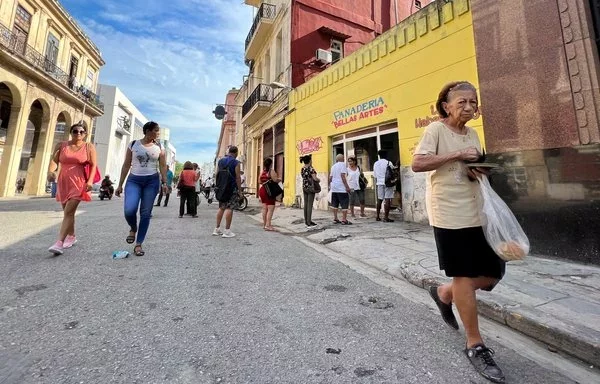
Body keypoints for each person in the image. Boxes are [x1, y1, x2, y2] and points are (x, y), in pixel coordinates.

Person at [412, 81, 505, 383]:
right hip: (449, 214)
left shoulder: (474, 133)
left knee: (493, 274)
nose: (469, 107)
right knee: (464, 274)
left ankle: (444, 293)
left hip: (477, 211)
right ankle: (475, 344)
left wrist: (479, 168)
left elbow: (470, 165)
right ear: (446, 106)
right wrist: (456, 155)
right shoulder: (435, 131)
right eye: (462, 101)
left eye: (473, 102)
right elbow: (417, 163)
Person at [115, 122, 168, 257]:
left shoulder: (160, 147)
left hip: (151, 181)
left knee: (145, 213)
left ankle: (138, 244)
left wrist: (164, 182)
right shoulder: (133, 145)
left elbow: (162, 165)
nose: (158, 133)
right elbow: (126, 165)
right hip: (134, 180)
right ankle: (133, 228)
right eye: (156, 130)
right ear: (148, 131)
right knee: (129, 210)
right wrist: (120, 184)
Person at [46, 123, 96, 255]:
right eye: (75, 131)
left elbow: (94, 165)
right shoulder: (61, 145)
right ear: (71, 132)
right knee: (68, 212)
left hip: (79, 182)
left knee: (68, 212)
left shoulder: (88, 147)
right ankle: (71, 236)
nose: (78, 134)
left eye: (81, 132)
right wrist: (51, 172)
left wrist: (90, 181)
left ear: (85, 134)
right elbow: (54, 161)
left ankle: (59, 243)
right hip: (63, 182)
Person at [213, 146, 242, 238]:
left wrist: (218, 186)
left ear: (228, 151)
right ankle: (227, 231)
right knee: (229, 208)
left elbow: (217, 174)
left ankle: (217, 229)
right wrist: (240, 191)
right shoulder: (236, 162)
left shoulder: (220, 161)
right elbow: (238, 177)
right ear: (236, 153)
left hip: (221, 188)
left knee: (221, 207)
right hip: (231, 188)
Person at [258, 158, 281, 231]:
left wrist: (265, 182)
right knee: (271, 208)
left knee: (264, 208)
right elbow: (275, 180)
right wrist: (279, 179)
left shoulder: (262, 172)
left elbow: (259, 181)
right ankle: (268, 225)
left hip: (262, 190)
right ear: (271, 164)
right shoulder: (271, 171)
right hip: (269, 191)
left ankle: (265, 224)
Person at [329, 153, 352, 225]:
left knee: (335, 204)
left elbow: (330, 178)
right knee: (344, 203)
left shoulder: (333, 166)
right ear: (342, 159)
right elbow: (343, 176)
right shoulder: (343, 165)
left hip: (334, 188)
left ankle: (335, 218)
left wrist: (330, 186)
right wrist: (347, 187)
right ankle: (344, 219)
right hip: (341, 188)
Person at [373, 150, 395, 222]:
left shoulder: (376, 164)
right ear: (386, 155)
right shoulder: (389, 163)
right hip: (388, 183)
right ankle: (386, 217)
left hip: (379, 183)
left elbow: (375, 175)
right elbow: (392, 172)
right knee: (387, 199)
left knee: (380, 199)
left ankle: (377, 216)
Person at [300, 154, 319, 228]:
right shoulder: (311, 168)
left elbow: (303, 177)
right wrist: (319, 179)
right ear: (310, 160)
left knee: (306, 204)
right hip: (311, 187)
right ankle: (309, 222)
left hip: (304, 187)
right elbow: (315, 178)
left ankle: (306, 221)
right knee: (310, 205)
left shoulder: (302, 168)